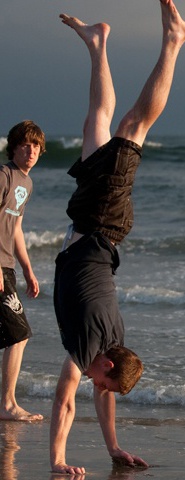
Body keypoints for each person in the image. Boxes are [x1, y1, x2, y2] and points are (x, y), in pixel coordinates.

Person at [50, 1, 185, 474]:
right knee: (134, 127)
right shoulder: (89, 348)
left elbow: (98, 395)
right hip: (101, 221)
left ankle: (97, 43)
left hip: (93, 225)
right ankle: (174, 41)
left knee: (96, 123)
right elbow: (66, 401)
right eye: (105, 384)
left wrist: (113, 449)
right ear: (107, 365)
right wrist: (58, 461)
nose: (100, 389)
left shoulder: (111, 346)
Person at [0, 121, 45, 422]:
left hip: (8, 266)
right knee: (19, 334)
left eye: (36, 146)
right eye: (25, 145)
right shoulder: (3, 175)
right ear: (14, 147)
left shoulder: (26, 183)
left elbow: (15, 226)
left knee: (15, 334)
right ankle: (7, 405)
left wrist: (28, 269)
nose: (31, 151)